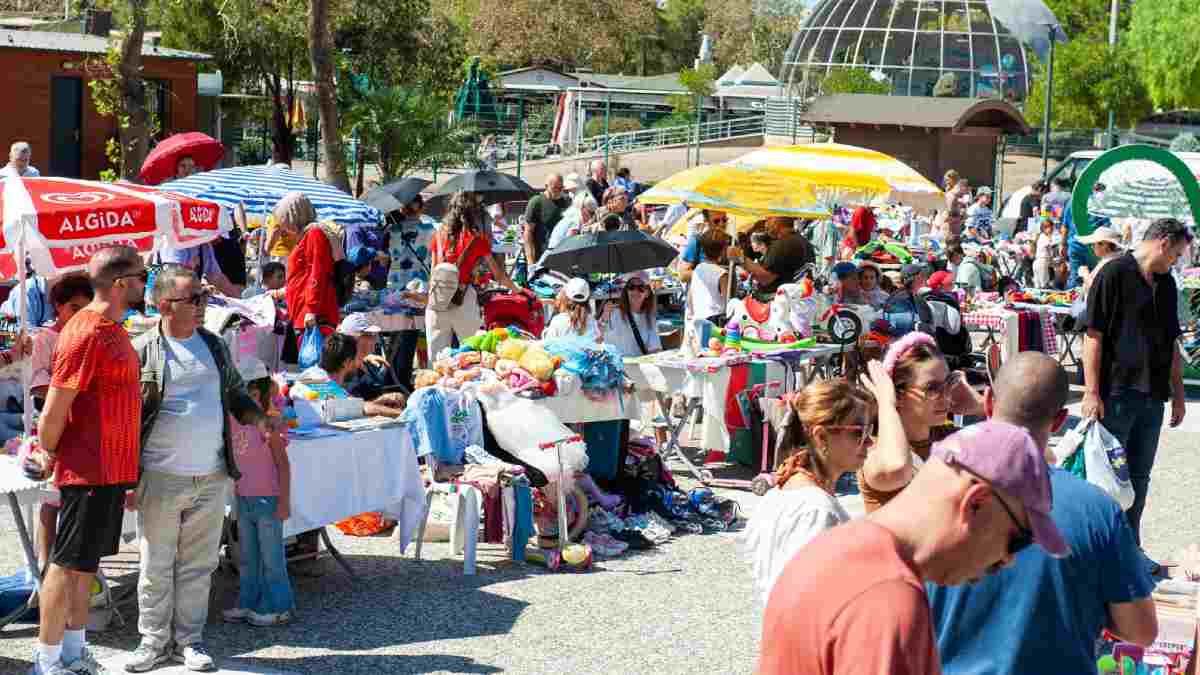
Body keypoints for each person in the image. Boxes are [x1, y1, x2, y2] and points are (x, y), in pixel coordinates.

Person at [758, 419, 1070, 675]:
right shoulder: (888, 600)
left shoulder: (832, 546)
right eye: (1017, 539)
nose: (1008, 560)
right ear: (976, 503)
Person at [929, 353, 1158, 675]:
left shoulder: (931, 495)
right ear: (1060, 420)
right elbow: (1141, 632)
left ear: (990, 402)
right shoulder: (1097, 510)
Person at [126, 265, 265, 673]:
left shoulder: (214, 344)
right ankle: (153, 642)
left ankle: (190, 640)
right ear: (166, 305)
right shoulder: (142, 351)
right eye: (195, 299)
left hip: (212, 474)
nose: (204, 306)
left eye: (204, 297)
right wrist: (124, 478)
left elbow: (236, 392)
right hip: (160, 475)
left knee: (198, 566)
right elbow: (125, 416)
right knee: (156, 565)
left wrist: (259, 417)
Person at [22, 245, 146, 675]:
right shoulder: (85, 330)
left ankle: (72, 653)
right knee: (64, 564)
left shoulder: (113, 327)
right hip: (87, 466)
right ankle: (48, 659)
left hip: (110, 467)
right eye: (140, 276)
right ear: (119, 283)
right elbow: (56, 406)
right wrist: (48, 450)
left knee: (84, 566)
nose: (144, 282)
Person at [1084, 217, 1191, 549]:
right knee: (1108, 478)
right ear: (1162, 242)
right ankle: (1101, 550)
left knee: (1139, 478)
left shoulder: (1167, 284)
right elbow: (1093, 335)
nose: (1175, 262)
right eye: (1175, 255)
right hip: (1116, 393)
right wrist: (1090, 392)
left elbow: (1171, 341)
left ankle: (1131, 549)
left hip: (1152, 397)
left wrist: (1178, 393)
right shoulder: (1113, 273)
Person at [742, 380, 876, 612]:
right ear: (821, 436)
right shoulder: (816, 510)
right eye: (859, 432)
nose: (870, 441)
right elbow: (804, 603)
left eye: (870, 431)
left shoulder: (785, 491)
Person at [858, 332, 986, 513]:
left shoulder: (949, 437)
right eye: (932, 388)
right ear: (897, 394)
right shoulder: (874, 452)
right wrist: (886, 403)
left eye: (949, 382)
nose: (945, 396)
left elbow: (1024, 445)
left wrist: (982, 406)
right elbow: (898, 468)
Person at [221, 361, 294, 628]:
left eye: (251, 393)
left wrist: (284, 502)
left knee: (272, 557)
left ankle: (279, 605)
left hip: (268, 500)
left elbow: (283, 465)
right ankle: (248, 601)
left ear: (260, 393)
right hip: (244, 498)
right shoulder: (232, 421)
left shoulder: (270, 426)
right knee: (248, 556)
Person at [29, 274, 93, 572]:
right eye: (74, 308)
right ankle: (45, 565)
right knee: (52, 498)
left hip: (84, 428)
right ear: (58, 306)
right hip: (52, 427)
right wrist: (69, 392)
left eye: (86, 308)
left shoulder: (91, 337)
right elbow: (38, 384)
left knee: (78, 500)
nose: (79, 315)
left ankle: (74, 568)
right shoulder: (45, 338)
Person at [426, 191, 523, 360]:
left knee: (436, 358)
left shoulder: (438, 236)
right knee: (471, 352)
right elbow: (498, 275)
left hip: (437, 300)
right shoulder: (477, 239)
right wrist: (516, 290)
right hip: (463, 300)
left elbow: (434, 270)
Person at [385, 195, 436, 388]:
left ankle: (389, 379)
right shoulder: (430, 230)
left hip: (394, 286)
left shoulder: (392, 230)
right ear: (421, 208)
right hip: (418, 288)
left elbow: (388, 257)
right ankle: (402, 382)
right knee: (410, 335)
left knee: (395, 334)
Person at [332, 313, 407, 414]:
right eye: (367, 335)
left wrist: (384, 400)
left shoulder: (368, 365)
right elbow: (345, 408)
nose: (373, 340)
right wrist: (401, 414)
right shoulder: (340, 369)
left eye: (373, 335)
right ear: (352, 339)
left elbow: (359, 405)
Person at [286, 215, 345, 340]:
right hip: (305, 310)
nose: (283, 225)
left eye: (285, 218)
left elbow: (318, 271)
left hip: (314, 312)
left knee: (313, 357)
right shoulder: (307, 235)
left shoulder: (314, 233)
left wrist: (311, 309)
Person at [729, 216, 814, 296]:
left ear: (777, 220)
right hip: (796, 301)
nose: (766, 224)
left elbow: (765, 278)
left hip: (781, 304)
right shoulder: (803, 241)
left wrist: (740, 258)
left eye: (769, 219)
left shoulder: (783, 244)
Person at [601, 272, 661, 357]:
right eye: (631, 287)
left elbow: (655, 349)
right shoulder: (612, 312)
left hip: (637, 367)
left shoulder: (650, 319)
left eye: (641, 288)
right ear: (626, 291)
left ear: (647, 293)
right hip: (614, 366)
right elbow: (596, 339)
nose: (635, 291)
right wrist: (604, 317)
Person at [522, 173, 569, 267]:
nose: (559, 191)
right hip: (542, 258)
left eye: (561, 188)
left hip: (562, 256)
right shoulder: (536, 202)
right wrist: (531, 261)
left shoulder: (566, 202)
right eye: (555, 187)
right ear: (546, 186)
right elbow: (528, 233)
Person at [687, 236, 729, 326]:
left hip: (699, 316)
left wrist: (691, 313)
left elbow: (690, 295)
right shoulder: (722, 273)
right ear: (722, 251)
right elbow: (727, 301)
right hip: (715, 318)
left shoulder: (697, 268)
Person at [264, 191, 314, 266]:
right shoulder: (296, 218)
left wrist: (267, 249)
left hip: (279, 254)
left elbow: (275, 232)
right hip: (293, 253)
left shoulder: (279, 215)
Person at [677, 210, 727, 283]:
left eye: (724, 220)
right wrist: (714, 275)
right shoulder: (697, 240)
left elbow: (744, 263)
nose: (722, 224)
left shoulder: (730, 241)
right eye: (716, 221)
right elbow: (683, 275)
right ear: (706, 221)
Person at [544, 277, 601, 342]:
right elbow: (598, 342)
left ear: (565, 297)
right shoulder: (592, 321)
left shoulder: (558, 321)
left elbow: (548, 346)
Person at [1076, 225, 1125, 294]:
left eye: (1093, 244)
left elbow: (1095, 287)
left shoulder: (1110, 263)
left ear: (1105, 245)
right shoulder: (1113, 259)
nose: (1092, 247)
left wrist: (1085, 274)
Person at [1033, 217, 1057, 288]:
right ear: (1043, 229)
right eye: (1049, 228)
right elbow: (1050, 248)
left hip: (1037, 262)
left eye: (1052, 228)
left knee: (1038, 285)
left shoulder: (1041, 237)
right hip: (1042, 263)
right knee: (1044, 285)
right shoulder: (1045, 238)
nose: (1051, 230)